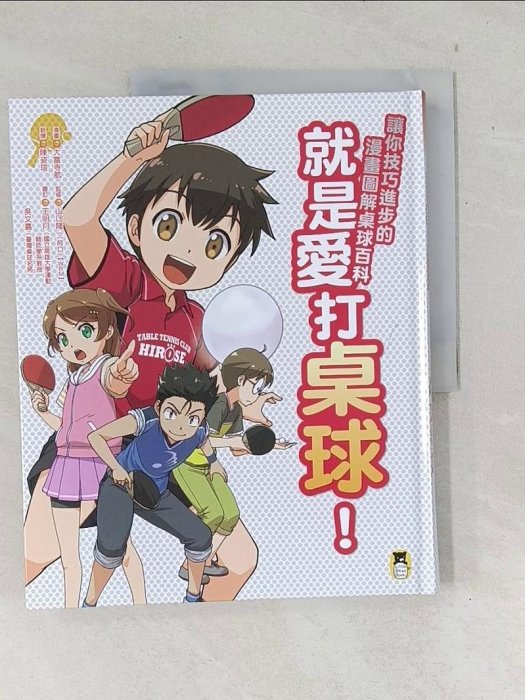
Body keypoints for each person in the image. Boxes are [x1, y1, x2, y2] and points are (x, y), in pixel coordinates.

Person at [24, 112, 279, 601]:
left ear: (228, 261)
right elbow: (77, 219)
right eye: (171, 224)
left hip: (161, 455)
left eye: (215, 243)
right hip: (92, 446)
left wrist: (245, 407)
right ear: (137, 226)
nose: (190, 251)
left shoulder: (199, 320)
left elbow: (214, 390)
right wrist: (133, 160)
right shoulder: (123, 279)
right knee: (34, 554)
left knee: (239, 559)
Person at [28, 288, 145, 607]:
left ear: (106, 331)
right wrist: (42, 412)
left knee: (121, 548)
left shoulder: (106, 366)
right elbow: (66, 430)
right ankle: (71, 612)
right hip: (65, 468)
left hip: (101, 466)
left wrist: (123, 375)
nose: (74, 345)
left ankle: (141, 604)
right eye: (63, 338)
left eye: (85, 331)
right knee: (69, 559)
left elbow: (116, 380)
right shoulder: (73, 379)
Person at [84, 364, 221, 605]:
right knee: (111, 549)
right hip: (121, 486)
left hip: (154, 493)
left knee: (200, 537)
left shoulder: (199, 431)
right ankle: (89, 604)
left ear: (201, 418)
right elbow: (96, 436)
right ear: (158, 408)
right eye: (172, 414)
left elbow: (205, 440)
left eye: (192, 418)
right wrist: (115, 468)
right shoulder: (144, 420)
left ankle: (192, 599)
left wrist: (214, 462)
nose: (181, 426)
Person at [174, 347, 293, 587]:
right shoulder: (218, 403)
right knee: (213, 513)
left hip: (210, 468)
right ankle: (190, 564)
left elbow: (237, 448)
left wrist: (269, 446)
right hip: (187, 464)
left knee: (230, 513)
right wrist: (233, 442)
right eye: (256, 387)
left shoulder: (236, 410)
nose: (257, 395)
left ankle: (205, 560)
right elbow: (201, 438)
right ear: (240, 380)